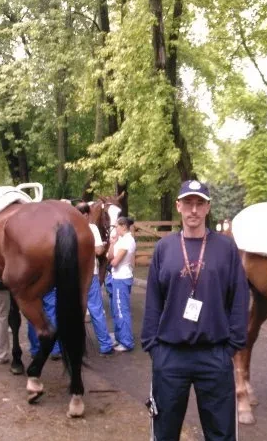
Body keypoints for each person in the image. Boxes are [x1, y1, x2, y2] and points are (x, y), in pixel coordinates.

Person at [141, 180, 249, 441]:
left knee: (221, 434)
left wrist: (232, 346)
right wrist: (153, 347)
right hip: (170, 355)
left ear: (208, 208)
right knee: (164, 433)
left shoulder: (225, 248)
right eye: (188, 203)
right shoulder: (164, 248)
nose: (193, 210)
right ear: (178, 206)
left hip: (214, 354)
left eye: (200, 203)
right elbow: (153, 300)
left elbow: (239, 298)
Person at [75, 202, 114, 356]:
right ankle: (105, 345)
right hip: (90, 273)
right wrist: (103, 246)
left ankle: (72, 345)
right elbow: (98, 251)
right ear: (86, 215)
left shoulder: (68, 225)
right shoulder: (91, 228)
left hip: (72, 275)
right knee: (96, 309)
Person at [106, 216, 136, 352]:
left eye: (117, 226)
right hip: (117, 277)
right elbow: (109, 256)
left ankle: (126, 342)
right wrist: (112, 243)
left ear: (123, 226)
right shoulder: (121, 240)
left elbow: (114, 261)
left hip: (122, 278)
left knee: (121, 310)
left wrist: (111, 261)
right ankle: (119, 336)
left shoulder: (128, 241)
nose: (115, 228)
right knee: (116, 309)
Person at [27, 288, 61, 359]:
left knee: (33, 314)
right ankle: (55, 349)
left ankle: (36, 350)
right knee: (52, 313)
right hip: (50, 287)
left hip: (31, 287)